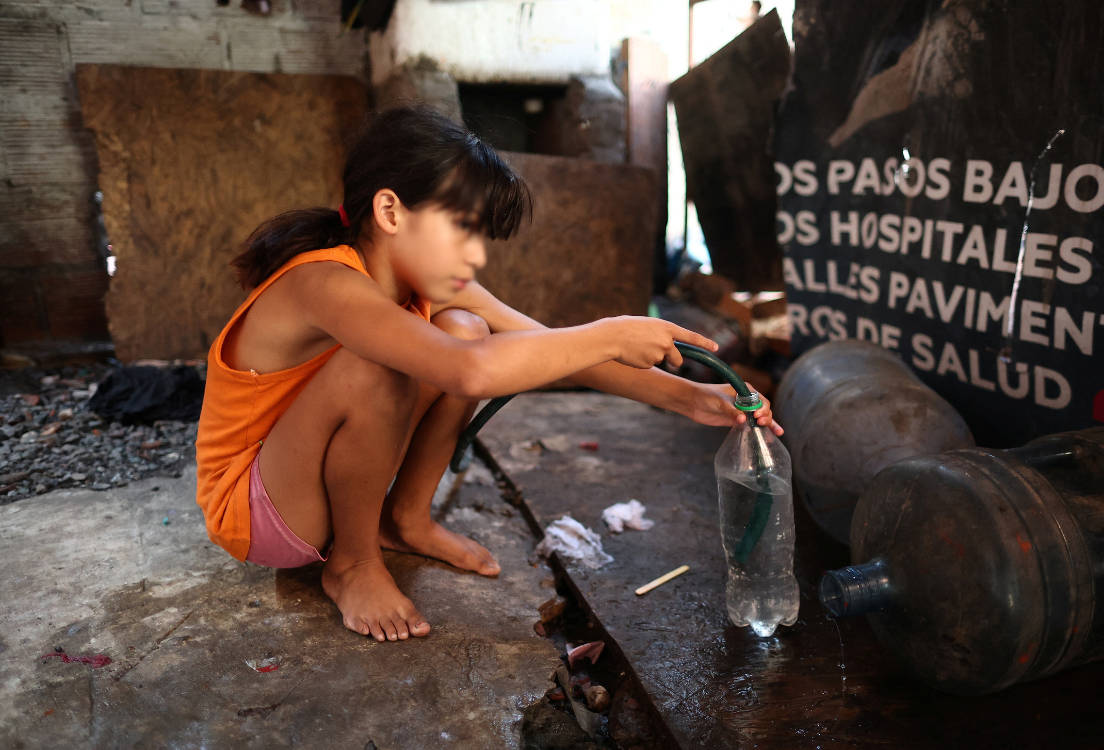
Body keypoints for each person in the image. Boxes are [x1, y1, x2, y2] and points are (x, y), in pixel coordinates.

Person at [195, 105, 782, 644]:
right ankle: (351, 563)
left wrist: (691, 398)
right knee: (383, 368)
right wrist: (610, 330)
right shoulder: (324, 283)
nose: (475, 255)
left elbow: (546, 347)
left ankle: (405, 518)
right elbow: (470, 374)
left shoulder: (428, 280)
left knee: (468, 330)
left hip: (314, 481)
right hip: (260, 508)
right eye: (462, 228)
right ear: (391, 210)